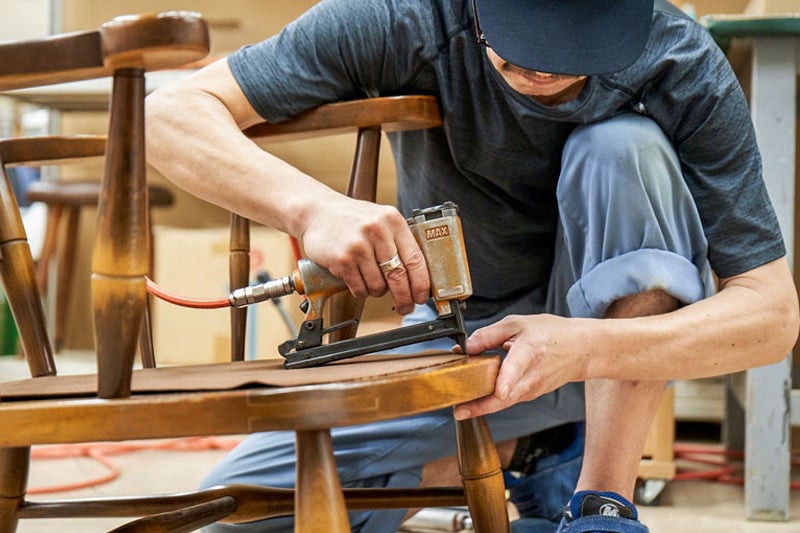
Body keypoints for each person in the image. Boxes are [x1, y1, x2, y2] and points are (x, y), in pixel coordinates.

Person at [145, 0, 800, 531]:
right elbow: (168, 114)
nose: (545, 60)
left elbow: (772, 314)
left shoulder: (678, 59)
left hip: (610, 351)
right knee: (239, 508)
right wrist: (312, 208)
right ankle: (538, 449)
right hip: (466, 340)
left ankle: (601, 500)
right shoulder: (404, 18)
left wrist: (587, 345)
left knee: (623, 146)